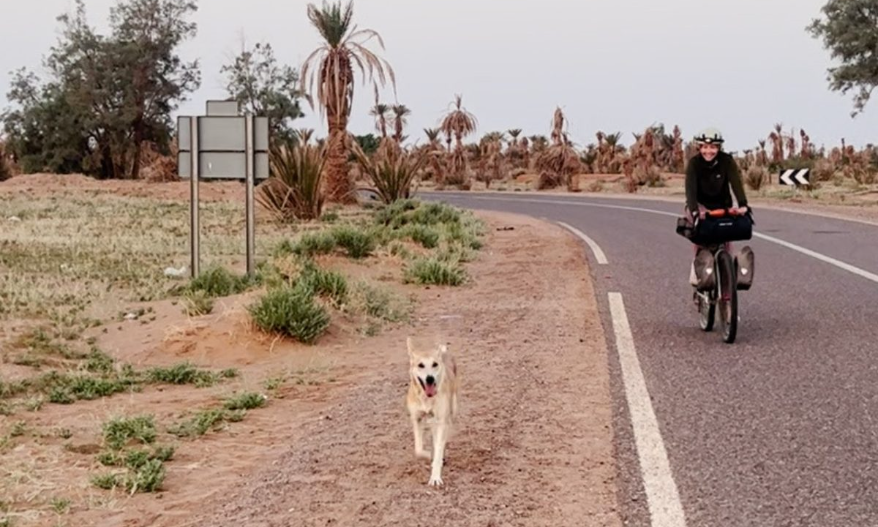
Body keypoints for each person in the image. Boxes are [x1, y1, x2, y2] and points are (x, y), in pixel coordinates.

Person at [684, 127, 752, 289]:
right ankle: (697, 268)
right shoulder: (694, 164)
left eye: (713, 147)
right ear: (700, 147)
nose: (709, 151)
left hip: (722, 206)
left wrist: (743, 205)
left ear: (719, 148)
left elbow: (736, 184)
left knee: (726, 237)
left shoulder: (727, 161)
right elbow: (690, 191)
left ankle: (726, 275)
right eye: (705, 147)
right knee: (699, 235)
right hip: (700, 205)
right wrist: (695, 211)